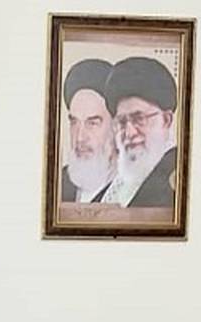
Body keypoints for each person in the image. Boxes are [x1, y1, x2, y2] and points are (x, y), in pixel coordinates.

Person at [102, 56, 179, 208]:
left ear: (166, 120)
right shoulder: (114, 185)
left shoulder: (178, 178)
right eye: (122, 122)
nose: (129, 132)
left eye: (139, 118)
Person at [60, 59, 117, 203]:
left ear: (116, 127)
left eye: (92, 123)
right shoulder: (59, 182)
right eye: (74, 122)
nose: (80, 137)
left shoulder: (134, 190)